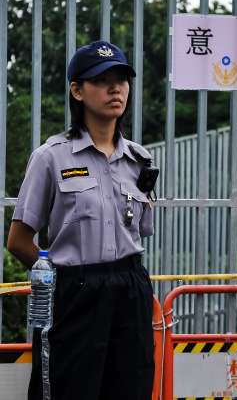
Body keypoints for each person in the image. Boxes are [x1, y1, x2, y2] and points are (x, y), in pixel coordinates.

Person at [6, 41, 156, 400]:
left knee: (131, 386)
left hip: (130, 285)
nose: (115, 88)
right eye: (103, 80)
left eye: (121, 79)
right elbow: (18, 239)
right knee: (69, 386)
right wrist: (55, 276)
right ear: (77, 90)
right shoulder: (51, 157)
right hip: (75, 290)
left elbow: (140, 230)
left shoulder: (140, 160)